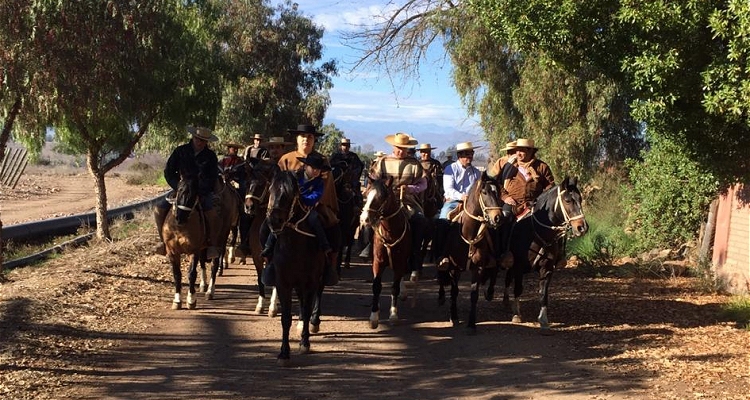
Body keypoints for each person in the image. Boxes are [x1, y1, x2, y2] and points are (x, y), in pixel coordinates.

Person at [267, 123, 340, 286]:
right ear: (297, 139)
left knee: (333, 225)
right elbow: (277, 185)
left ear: (314, 140)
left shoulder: (322, 161)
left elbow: (326, 186)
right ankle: (269, 261)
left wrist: (315, 202)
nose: (306, 139)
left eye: (310, 137)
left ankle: (330, 265)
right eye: (303, 137)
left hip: (314, 205)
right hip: (286, 208)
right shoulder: (285, 159)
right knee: (267, 226)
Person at [153, 126, 222, 260]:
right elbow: (169, 171)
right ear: (193, 137)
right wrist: (178, 186)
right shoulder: (181, 151)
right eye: (197, 138)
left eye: (203, 140)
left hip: (201, 191)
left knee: (212, 214)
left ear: (207, 141)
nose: (199, 142)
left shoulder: (210, 156)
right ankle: (163, 241)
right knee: (160, 208)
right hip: (182, 188)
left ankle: (211, 245)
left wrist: (201, 189)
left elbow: (212, 177)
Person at [369, 132, 428, 281]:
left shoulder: (414, 163)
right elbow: (373, 180)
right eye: (398, 147)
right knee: (367, 219)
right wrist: (380, 189)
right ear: (393, 146)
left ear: (408, 148)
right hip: (384, 200)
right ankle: (368, 248)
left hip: (408, 202)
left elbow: (423, 183)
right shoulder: (383, 161)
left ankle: (414, 258)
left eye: (403, 148)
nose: (400, 151)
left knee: (420, 221)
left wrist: (410, 188)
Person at [261, 153, 333, 260]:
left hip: (307, 208)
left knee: (314, 219)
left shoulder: (319, 183)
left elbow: (316, 195)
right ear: (305, 166)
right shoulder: (295, 177)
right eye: (313, 168)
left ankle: (324, 244)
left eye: (318, 169)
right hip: (291, 206)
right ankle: (268, 246)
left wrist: (304, 199)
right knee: (278, 220)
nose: (316, 171)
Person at [435, 141, 483, 270]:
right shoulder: (450, 169)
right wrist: (461, 196)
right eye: (466, 154)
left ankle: (491, 255)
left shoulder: (477, 173)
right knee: (443, 221)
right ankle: (441, 255)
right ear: (459, 156)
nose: (470, 157)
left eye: (471, 154)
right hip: (453, 202)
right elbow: (448, 189)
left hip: (472, 205)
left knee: (488, 222)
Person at [329, 137, 365, 205]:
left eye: (347, 145)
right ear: (341, 145)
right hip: (337, 177)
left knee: (355, 191)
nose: (345, 147)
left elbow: (359, 167)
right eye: (344, 145)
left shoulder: (353, 156)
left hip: (350, 178)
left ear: (349, 146)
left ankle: (357, 206)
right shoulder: (335, 155)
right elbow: (330, 165)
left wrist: (352, 172)